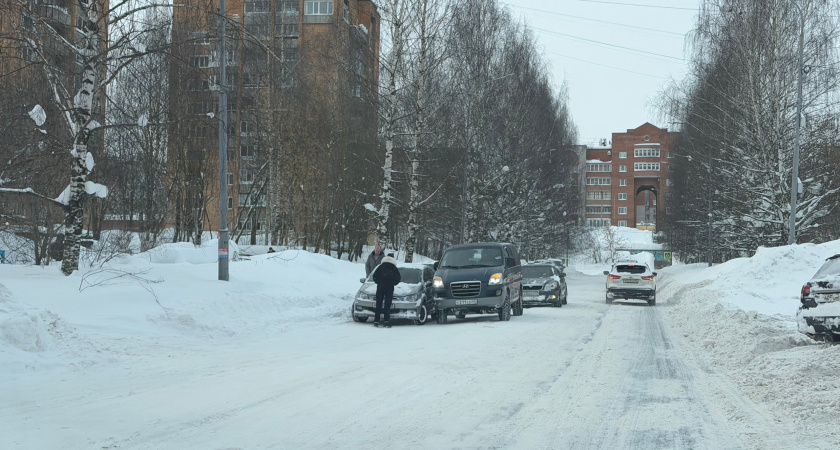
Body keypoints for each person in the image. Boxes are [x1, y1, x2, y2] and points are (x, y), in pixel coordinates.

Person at [372, 255, 401, 328]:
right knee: (387, 305)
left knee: (378, 304)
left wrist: (379, 282)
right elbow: (398, 278)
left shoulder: (380, 267)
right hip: (389, 288)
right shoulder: (394, 268)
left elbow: (374, 276)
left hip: (380, 288)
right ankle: (386, 321)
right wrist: (392, 283)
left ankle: (376, 321)